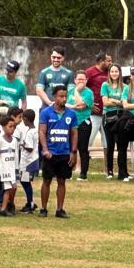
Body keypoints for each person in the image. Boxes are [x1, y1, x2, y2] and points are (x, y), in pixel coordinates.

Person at [38, 86, 77, 218]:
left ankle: (60, 209)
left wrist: (73, 152)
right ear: (54, 96)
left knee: (62, 181)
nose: (64, 99)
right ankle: (43, 208)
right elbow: (42, 132)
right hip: (50, 153)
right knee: (47, 180)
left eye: (65, 96)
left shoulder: (71, 114)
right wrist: (45, 149)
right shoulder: (46, 112)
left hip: (64, 153)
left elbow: (74, 134)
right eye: (61, 96)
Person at [98, 65, 125, 179]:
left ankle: (121, 170)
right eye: (112, 71)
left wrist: (112, 100)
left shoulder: (125, 86)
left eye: (116, 71)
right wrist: (116, 101)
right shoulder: (105, 85)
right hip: (108, 116)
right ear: (109, 73)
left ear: (119, 73)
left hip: (121, 116)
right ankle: (109, 170)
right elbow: (106, 102)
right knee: (110, 144)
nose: (114, 73)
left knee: (121, 144)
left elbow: (125, 103)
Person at [66, 73, 93, 180]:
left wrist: (77, 91)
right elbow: (65, 104)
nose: (81, 81)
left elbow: (81, 106)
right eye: (79, 79)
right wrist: (73, 106)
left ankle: (83, 174)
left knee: (83, 149)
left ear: (86, 80)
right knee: (70, 148)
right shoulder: (70, 92)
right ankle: (68, 172)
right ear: (75, 80)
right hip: (71, 123)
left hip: (83, 122)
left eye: (83, 79)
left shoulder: (88, 92)